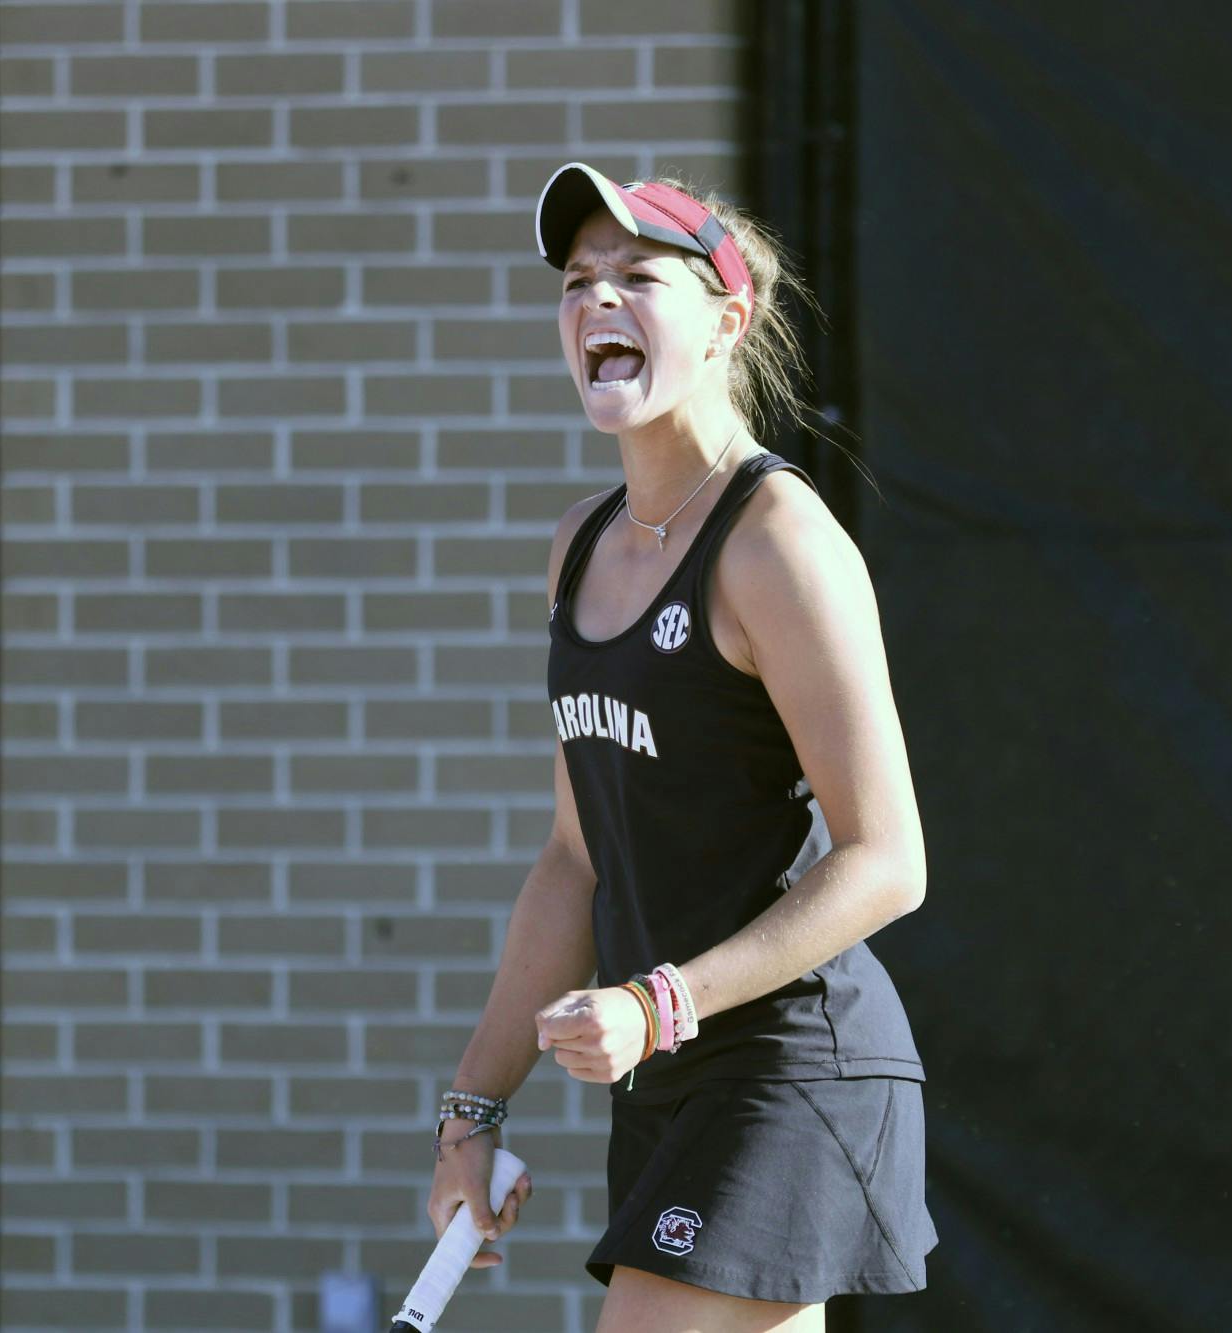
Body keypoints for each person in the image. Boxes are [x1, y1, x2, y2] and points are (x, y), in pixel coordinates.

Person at [426, 161, 936, 1332]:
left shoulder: (777, 543)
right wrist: (472, 1112)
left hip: (791, 1069)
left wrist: (658, 1003)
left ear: (727, 318)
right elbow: (573, 857)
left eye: (636, 277)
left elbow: (887, 859)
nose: (596, 301)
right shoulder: (578, 548)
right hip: (670, 1084)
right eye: (574, 281)